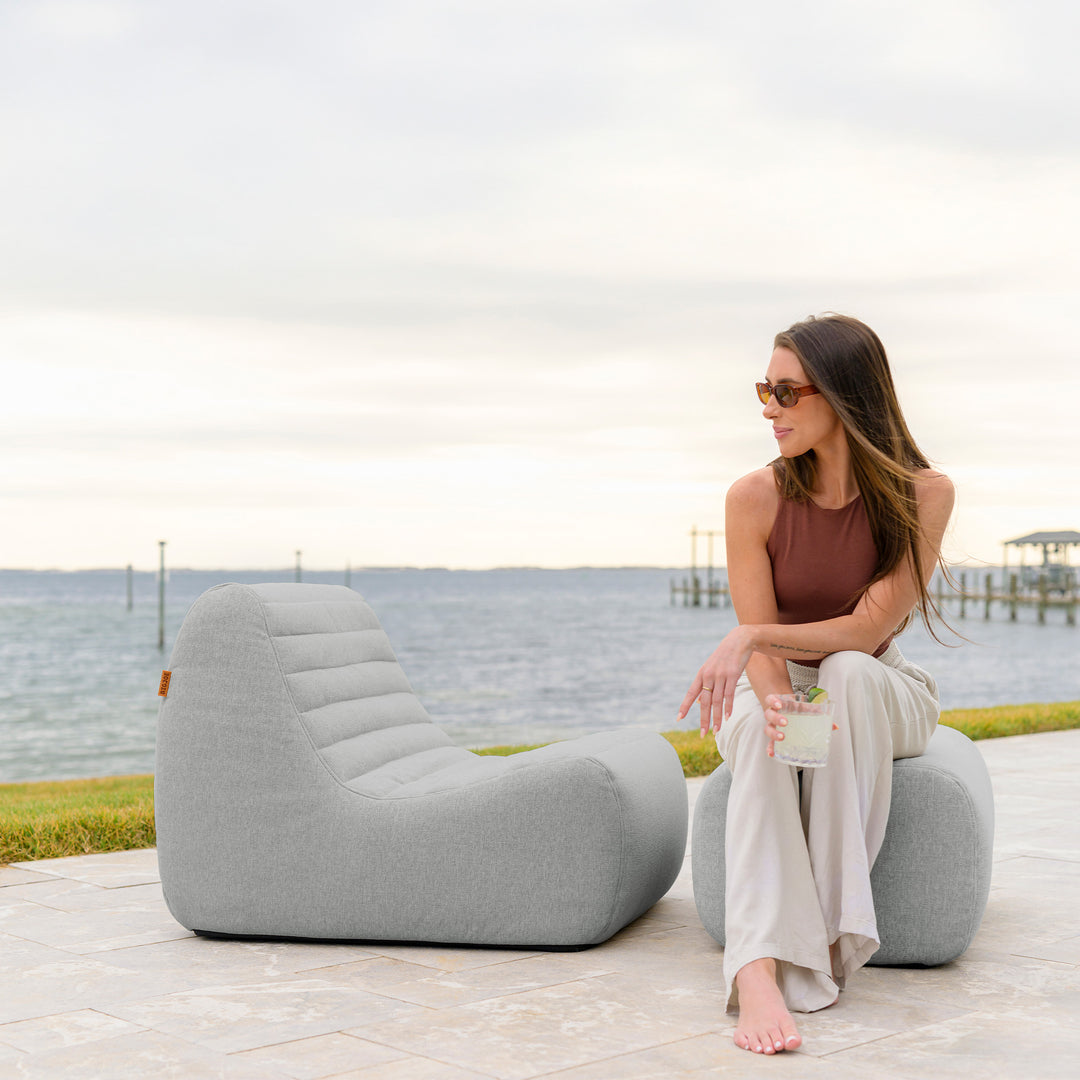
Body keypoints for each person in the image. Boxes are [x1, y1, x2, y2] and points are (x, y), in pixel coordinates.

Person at [677, 314, 954, 1055]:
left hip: (880, 685)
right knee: (773, 741)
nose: (769, 406)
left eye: (787, 391)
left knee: (846, 672)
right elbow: (766, 655)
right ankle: (759, 969)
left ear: (845, 394)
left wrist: (753, 637)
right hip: (776, 676)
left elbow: (866, 632)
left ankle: (832, 934)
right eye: (764, 389)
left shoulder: (924, 493)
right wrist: (773, 696)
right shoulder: (752, 498)